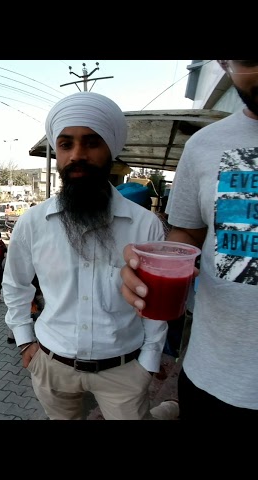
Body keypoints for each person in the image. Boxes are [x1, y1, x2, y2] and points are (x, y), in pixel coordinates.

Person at [3, 91, 168, 420]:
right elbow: (16, 284)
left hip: (123, 370)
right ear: (58, 151)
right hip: (51, 365)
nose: (77, 155)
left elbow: (155, 303)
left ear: (110, 150)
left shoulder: (145, 226)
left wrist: (149, 360)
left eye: (91, 143)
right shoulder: (33, 223)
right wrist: (25, 342)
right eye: (66, 144)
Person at [120, 60, 258, 420]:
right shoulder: (204, 147)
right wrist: (151, 268)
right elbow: (188, 235)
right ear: (224, 64)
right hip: (216, 381)